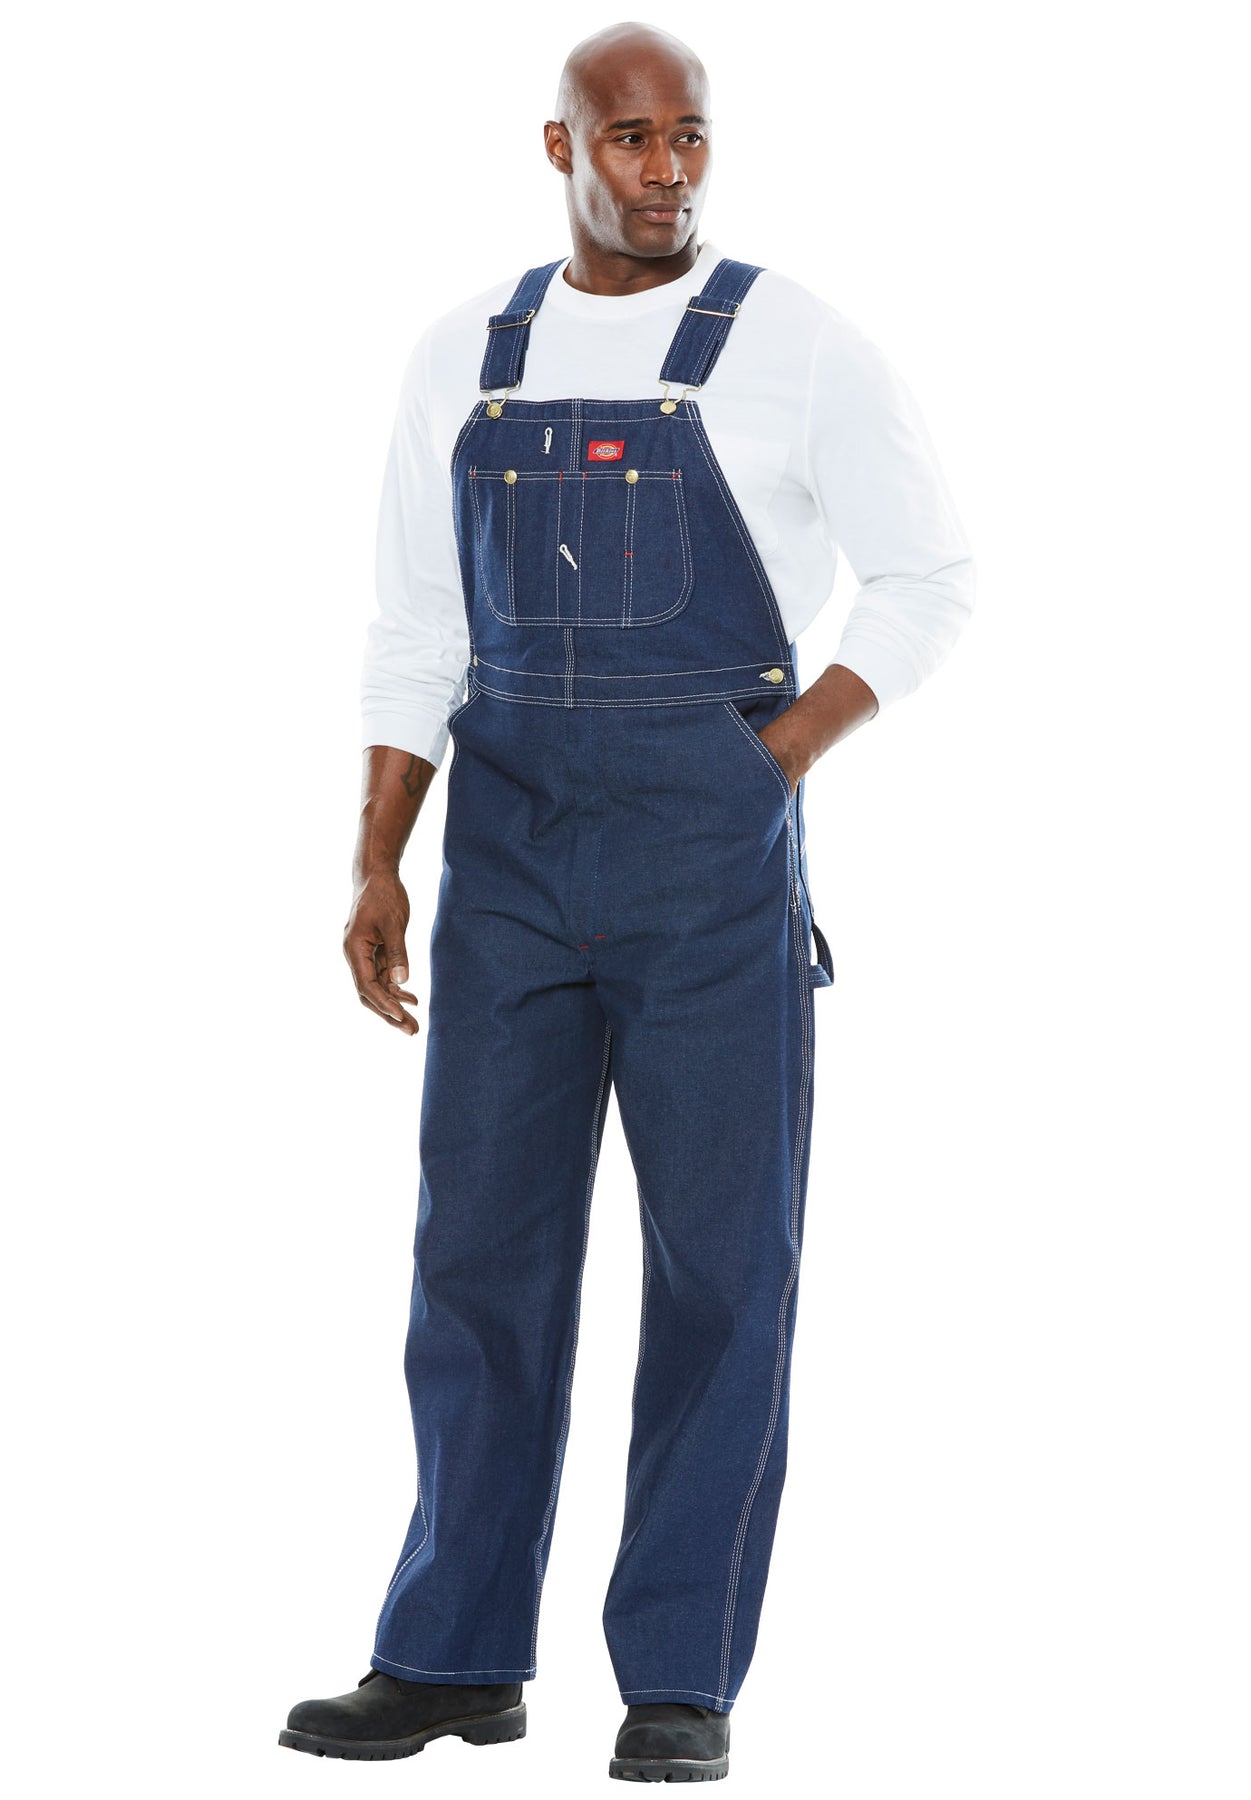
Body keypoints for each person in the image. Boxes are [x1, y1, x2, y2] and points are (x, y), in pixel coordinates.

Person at [279, 20, 974, 1783]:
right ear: (559, 148)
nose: (669, 171)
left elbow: (929, 577)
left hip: (708, 876)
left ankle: (680, 1677)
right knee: (477, 1262)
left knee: (723, 1271)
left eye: (692, 139)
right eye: (632, 139)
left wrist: (777, 757)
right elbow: (416, 625)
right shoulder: (466, 353)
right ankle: (451, 1656)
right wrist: (377, 851)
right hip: (505, 865)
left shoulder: (796, 343)